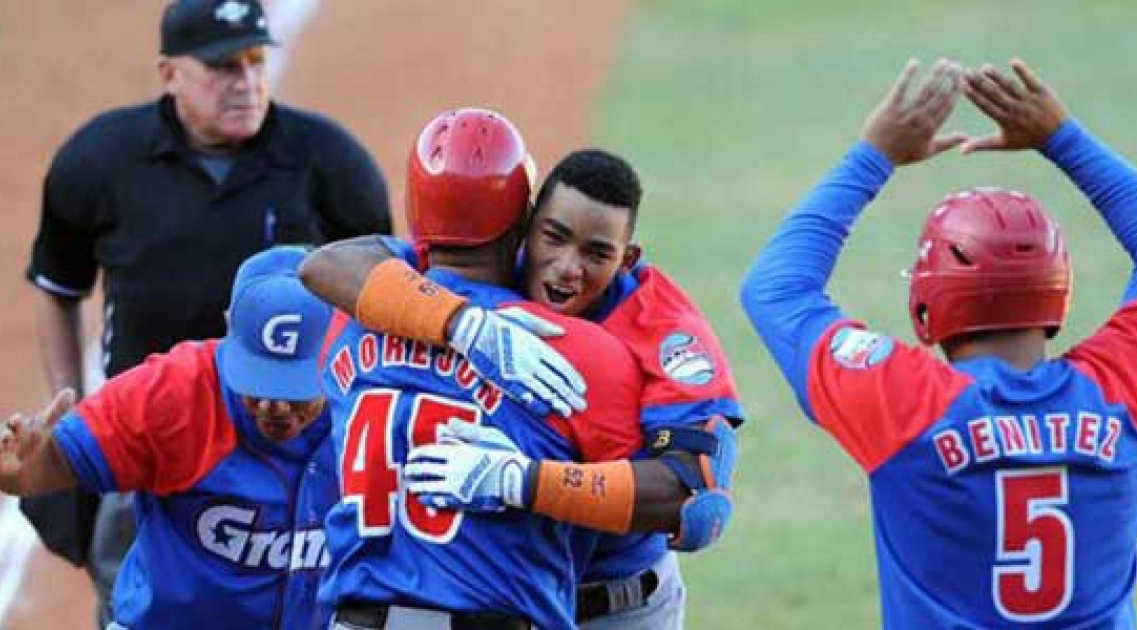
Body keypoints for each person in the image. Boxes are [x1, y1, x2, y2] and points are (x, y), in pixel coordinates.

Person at [740, 57, 1137, 627]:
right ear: (1055, 293)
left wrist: (873, 156)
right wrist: (1063, 139)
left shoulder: (907, 402)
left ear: (931, 303)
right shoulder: (1121, 388)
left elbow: (777, 288)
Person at [22, 0, 391, 623]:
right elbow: (59, 286)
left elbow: (379, 303)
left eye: (254, 60)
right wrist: (76, 407)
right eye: (223, 66)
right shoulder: (102, 161)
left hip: (290, 443)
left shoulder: (329, 163)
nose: (246, 81)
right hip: (149, 430)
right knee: (139, 599)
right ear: (169, 72)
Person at [302, 148, 742, 628]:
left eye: (597, 253)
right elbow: (328, 266)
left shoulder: (662, 327)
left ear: (626, 259)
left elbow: (700, 509)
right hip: (520, 596)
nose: (568, 267)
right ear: (524, 227)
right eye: (555, 237)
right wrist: (462, 324)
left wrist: (522, 480)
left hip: (618, 602)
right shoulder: (491, 265)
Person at [1, 248, 342, 630]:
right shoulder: (175, 392)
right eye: (257, 380)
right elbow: (60, 461)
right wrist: (19, 471)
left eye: (294, 389)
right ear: (229, 328)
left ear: (337, 351)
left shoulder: (374, 401)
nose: (273, 405)